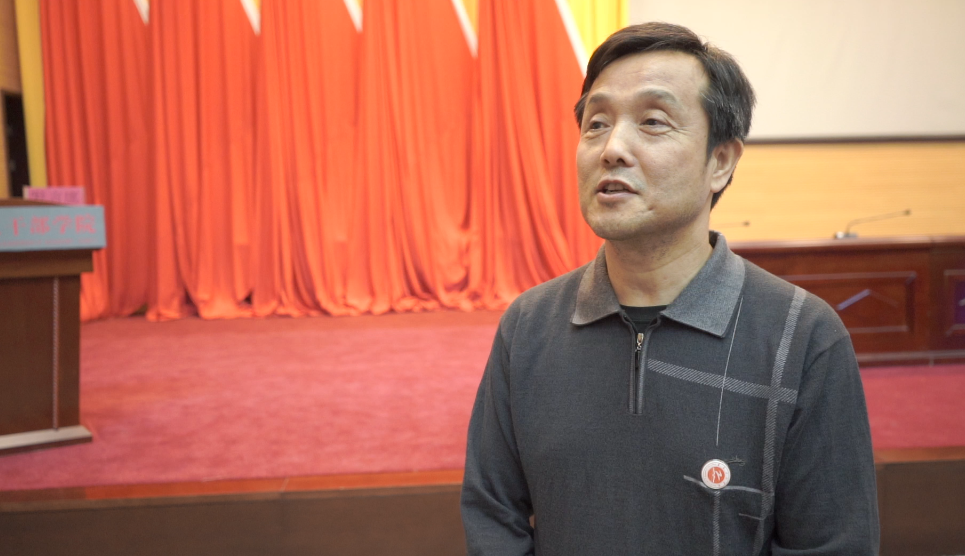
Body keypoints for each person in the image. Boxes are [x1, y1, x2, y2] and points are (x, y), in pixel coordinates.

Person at [461, 22, 879, 555]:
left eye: (653, 122)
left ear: (720, 162)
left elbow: (834, 543)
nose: (612, 148)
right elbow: (493, 517)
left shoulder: (803, 337)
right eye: (596, 124)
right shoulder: (528, 326)